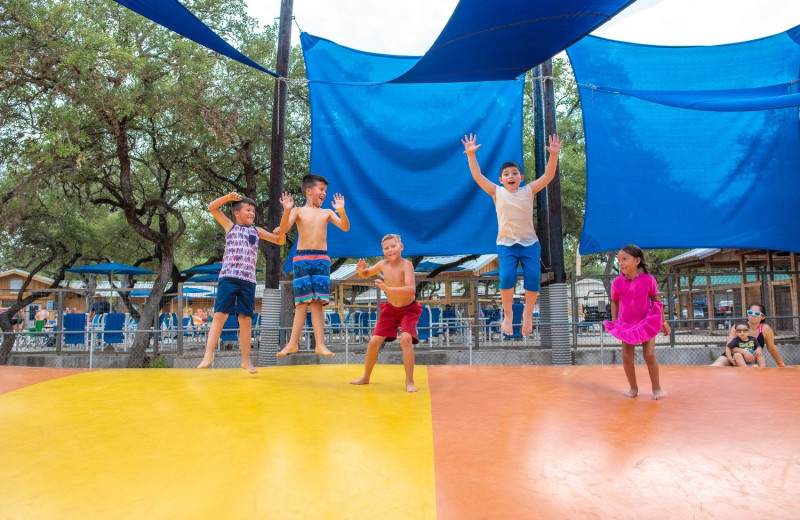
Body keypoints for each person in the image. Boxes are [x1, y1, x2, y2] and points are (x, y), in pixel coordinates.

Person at [461, 132, 561, 337]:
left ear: (521, 177)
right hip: (506, 244)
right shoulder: (497, 192)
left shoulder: (528, 190)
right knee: (507, 277)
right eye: (506, 174)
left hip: (530, 244)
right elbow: (478, 177)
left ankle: (527, 314)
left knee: (533, 278)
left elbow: (548, 176)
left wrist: (554, 155)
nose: (511, 176)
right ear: (501, 179)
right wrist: (471, 155)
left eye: (515, 173)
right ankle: (507, 315)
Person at [197, 192, 287, 373]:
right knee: (220, 315)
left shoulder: (257, 231)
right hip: (229, 277)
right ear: (237, 213)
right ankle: (208, 354)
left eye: (253, 211)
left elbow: (280, 241)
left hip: (248, 281)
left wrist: (282, 229)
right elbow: (212, 207)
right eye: (248, 210)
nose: (252, 213)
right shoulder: (230, 226)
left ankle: (246, 360)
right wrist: (228, 198)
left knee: (246, 319)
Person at [276, 174, 350, 358]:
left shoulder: (327, 213)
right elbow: (284, 229)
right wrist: (286, 210)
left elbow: (345, 227)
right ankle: (292, 343)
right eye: (321, 190)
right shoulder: (298, 211)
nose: (324, 193)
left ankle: (320, 344)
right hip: (302, 259)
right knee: (302, 303)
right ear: (308, 191)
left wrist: (341, 211)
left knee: (318, 304)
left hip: (322, 259)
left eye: (325, 190)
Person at [350, 234, 422, 392]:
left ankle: (409, 381)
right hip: (390, 309)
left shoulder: (406, 265)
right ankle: (366, 377)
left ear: (401, 247)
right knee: (374, 342)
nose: (390, 250)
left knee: (405, 338)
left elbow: (411, 289)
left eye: (393, 246)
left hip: (408, 310)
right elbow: (367, 273)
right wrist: (360, 270)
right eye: (386, 248)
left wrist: (388, 289)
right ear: (382, 251)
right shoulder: (383, 264)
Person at [602, 245, 670, 400]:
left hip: (646, 322)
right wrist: (615, 322)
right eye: (619, 260)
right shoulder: (617, 283)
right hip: (626, 325)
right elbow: (614, 302)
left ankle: (657, 388)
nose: (621, 263)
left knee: (649, 355)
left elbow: (657, 302)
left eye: (625, 259)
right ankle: (633, 388)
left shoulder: (648, 280)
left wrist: (663, 322)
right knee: (627, 356)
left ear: (637, 260)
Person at [711, 303, 786, 367]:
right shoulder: (737, 326)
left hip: (751, 359)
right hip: (734, 356)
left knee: (756, 366)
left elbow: (771, 348)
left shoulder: (765, 329)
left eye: (757, 313)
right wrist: (744, 352)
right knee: (715, 366)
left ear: (762, 317)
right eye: (750, 312)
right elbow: (729, 348)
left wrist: (781, 364)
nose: (753, 315)